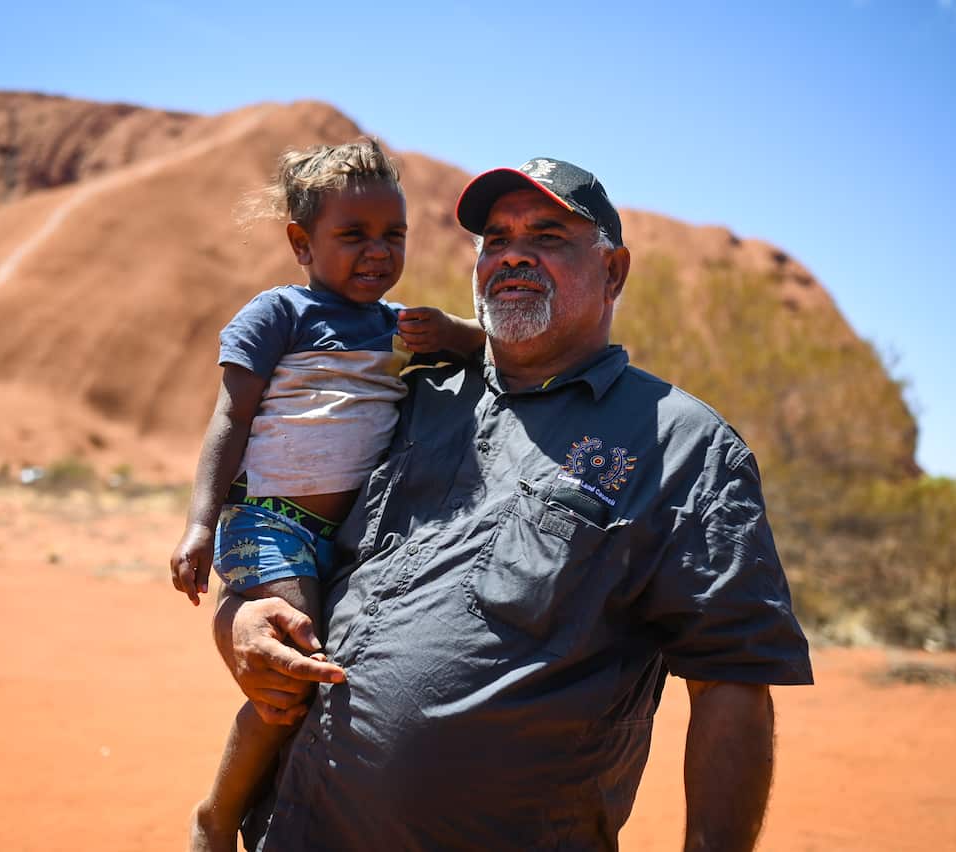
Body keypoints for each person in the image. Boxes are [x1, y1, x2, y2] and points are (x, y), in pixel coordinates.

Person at [213, 156, 815, 851]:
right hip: (296, 829)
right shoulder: (407, 395)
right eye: (495, 240)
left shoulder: (682, 446)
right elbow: (278, 527)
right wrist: (240, 618)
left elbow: (731, 683)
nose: (513, 257)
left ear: (613, 271)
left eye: (548, 237)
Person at [168, 139, 484, 852]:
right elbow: (230, 418)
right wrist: (197, 525)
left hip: (348, 543)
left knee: (331, 680)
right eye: (353, 236)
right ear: (302, 244)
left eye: (392, 235)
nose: (378, 252)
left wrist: (455, 332)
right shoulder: (277, 313)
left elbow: (489, 354)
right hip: (268, 523)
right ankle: (217, 817)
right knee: (295, 675)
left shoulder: (400, 326)